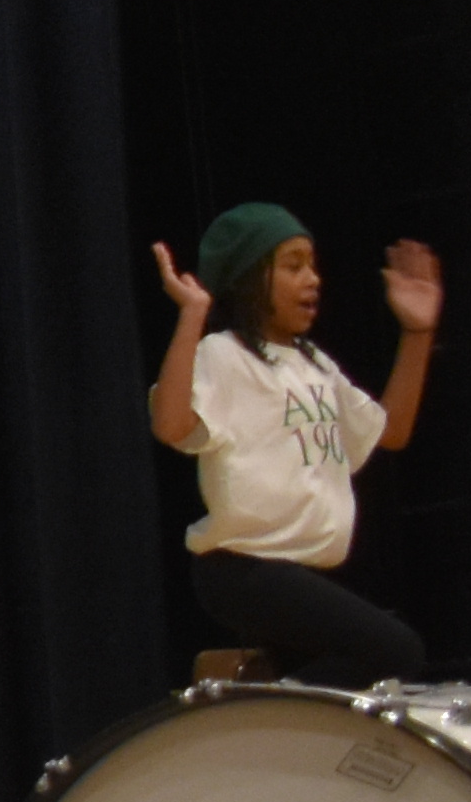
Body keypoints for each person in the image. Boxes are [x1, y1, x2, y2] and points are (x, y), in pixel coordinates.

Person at [149, 202, 441, 681]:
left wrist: (417, 331)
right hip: (243, 568)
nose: (313, 279)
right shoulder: (225, 354)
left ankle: (261, 715)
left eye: (313, 265)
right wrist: (193, 315)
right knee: (395, 650)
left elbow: (391, 431)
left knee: (364, 680)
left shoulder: (314, 364)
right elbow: (171, 424)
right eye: (293, 266)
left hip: (301, 571)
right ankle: (267, 715)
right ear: (250, 278)